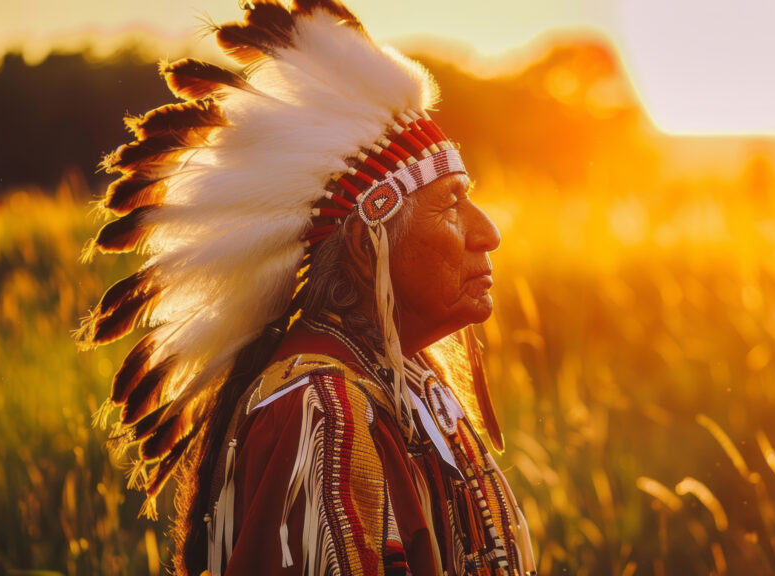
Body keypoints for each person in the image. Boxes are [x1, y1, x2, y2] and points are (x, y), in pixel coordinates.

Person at [78, 1, 536, 574]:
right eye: (450, 204)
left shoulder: (401, 381)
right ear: (366, 250)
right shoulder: (320, 417)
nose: (488, 234)